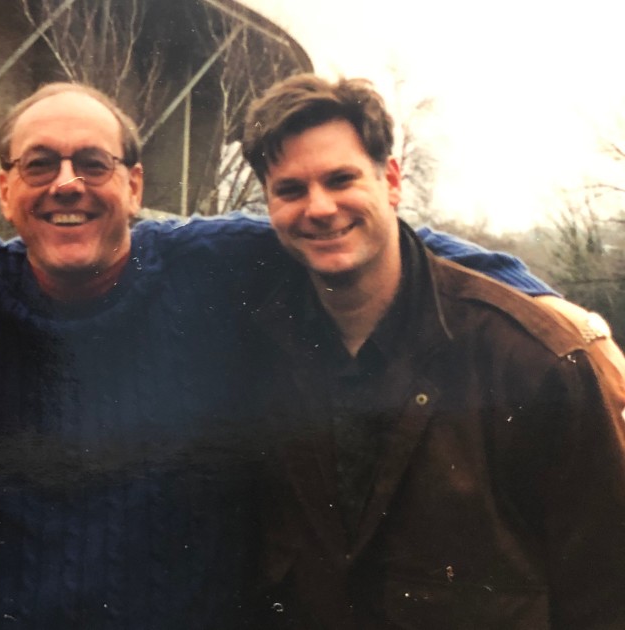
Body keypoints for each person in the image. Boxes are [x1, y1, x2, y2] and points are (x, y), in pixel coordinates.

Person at [0, 83, 611, 629]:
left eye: (93, 163)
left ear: (133, 184)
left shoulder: (212, 262)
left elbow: (368, 233)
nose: (67, 184)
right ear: (3, 188)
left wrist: (544, 301)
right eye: (39, 164)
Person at [240, 74, 625, 628]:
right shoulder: (262, 352)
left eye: (341, 178)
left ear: (391, 180)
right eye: (291, 190)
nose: (319, 207)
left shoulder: (532, 363)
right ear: (269, 203)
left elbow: (606, 591)